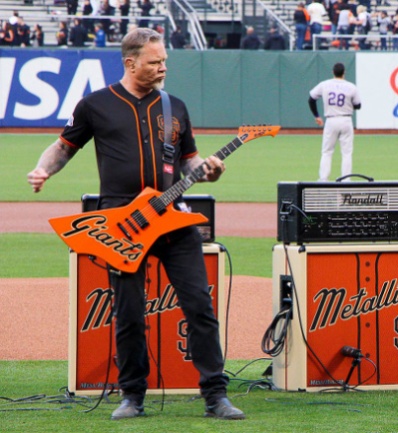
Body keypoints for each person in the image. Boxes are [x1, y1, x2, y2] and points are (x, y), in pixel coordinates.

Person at [25, 28, 245, 422]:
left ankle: (216, 395)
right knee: (128, 313)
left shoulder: (174, 106)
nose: (163, 68)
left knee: (200, 305)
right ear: (130, 63)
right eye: (154, 62)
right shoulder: (95, 105)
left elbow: (190, 161)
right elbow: (62, 147)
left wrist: (209, 171)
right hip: (122, 225)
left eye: (164, 62)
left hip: (172, 220)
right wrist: (43, 170)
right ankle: (132, 395)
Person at [308, 62, 362, 182]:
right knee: (346, 153)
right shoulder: (351, 87)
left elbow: (311, 99)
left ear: (333, 72)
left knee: (327, 152)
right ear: (344, 72)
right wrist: (348, 105)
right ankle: (346, 180)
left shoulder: (324, 84)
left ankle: (323, 179)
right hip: (346, 119)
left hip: (331, 120)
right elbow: (358, 105)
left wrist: (316, 115)